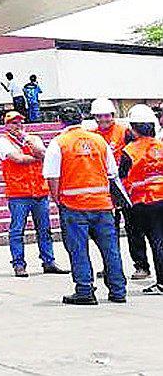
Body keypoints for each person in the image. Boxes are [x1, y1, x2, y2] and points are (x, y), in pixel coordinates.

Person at [44, 105, 129, 305]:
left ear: (60, 121)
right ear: (81, 119)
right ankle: (118, 290)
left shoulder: (59, 143)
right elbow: (112, 173)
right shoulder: (99, 140)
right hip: (102, 204)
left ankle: (84, 290)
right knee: (111, 249)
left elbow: (53, 177)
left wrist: (59, 200)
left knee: (78, 249)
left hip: (74, 206)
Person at [0, 111, 67, 276]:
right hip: (18, 193)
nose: (18, 126)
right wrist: (37, 158)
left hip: (39, 192)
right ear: (7, 125)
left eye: (20, 122)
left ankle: (49, 261)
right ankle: (18, 264)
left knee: (44, 229)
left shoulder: (33, 138)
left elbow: (44, 153)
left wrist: (29, 141)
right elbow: (17, 159)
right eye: (13, 123)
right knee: (17, 230)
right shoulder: (3, 141)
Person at [88, 97, 149, 280]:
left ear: (113, 115)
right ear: (95, 117)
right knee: (107, 232)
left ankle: (141, 266)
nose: (104, 119)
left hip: (126, 187)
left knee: (133, 228)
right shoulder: (93, 136)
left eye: (107, 115)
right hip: (105, 189)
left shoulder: (125, 132)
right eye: (99, 116)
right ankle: (111, 267)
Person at [120, 105, 163, 294]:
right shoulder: (161, 146)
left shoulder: (130, 150)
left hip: (144, 202)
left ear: (133, 128)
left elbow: (122, 178)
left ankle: (161, 282)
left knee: (156, 241)